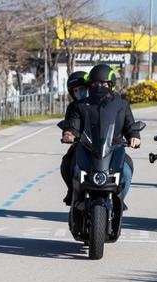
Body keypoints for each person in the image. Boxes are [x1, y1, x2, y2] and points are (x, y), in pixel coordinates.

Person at [62, 64, 141, 203]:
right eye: (96, 83)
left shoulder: (122, 105)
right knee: (71, 166)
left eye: (104, 83)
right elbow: (74, 123)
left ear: (111, 85)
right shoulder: (82, 106)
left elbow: (130, 125)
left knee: (127, 172)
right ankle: (75, 196)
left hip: (114, 148)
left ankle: (119, 201)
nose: (100, 86)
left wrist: (134, 136)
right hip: (87, 148)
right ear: (90, 85)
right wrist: (69, 133)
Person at [60, 70, 89, 205]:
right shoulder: (73, 107)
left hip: (103, 145)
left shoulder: (100, 104)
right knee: (66, 164)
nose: (79, 92)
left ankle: (117, 195)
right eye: (76, 90)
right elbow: (70, 124)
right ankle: (72, 190)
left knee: (124, 165)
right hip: (81, 146)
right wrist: (68, 133)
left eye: (82, 89)